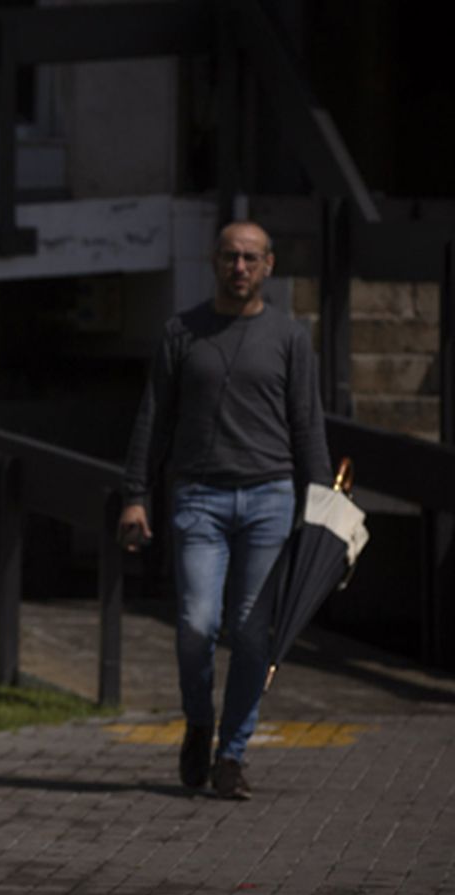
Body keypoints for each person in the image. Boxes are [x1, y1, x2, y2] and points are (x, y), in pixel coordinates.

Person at [118, 221, 330, 801]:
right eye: (230, 257)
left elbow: (307, 425)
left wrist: (323, 510)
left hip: (270, 496)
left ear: (269, 266)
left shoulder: (290, 336)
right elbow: (153, 418)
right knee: (196, 624)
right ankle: (198, 721)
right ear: (214, 262)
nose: (240, 267)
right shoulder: (181, 332)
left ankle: (232, 756)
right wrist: (135, 494)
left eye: (251, 258)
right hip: (199, 498)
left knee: (251, 632)